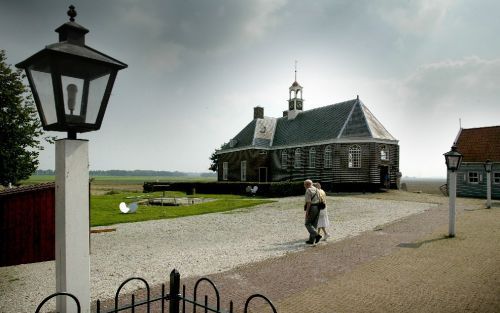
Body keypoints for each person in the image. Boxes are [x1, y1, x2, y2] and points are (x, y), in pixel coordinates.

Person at [303, 179, 322, 245]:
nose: (304, 186)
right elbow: (320, 198)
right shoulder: (316, 189)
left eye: (304, 184)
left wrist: (307, 212)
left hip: (312, 207)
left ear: (307, 184)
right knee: (314, 224)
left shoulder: (308, 190)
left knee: (307, 223)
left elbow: (308, 202)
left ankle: (317, 235)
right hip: (318, 207)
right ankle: (311, 240)